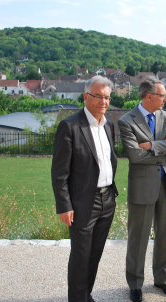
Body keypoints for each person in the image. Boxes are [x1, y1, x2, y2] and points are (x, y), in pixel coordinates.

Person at [51, 76, 118, 302]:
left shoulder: (108, 125)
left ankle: (85, 295)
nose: (103, 101)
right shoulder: (70, 126)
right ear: (86, 96)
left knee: (94, 255)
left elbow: (109, 160)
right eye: (98, 96)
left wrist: (111, 195)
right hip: (82, 204)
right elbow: (60, 172)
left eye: (107, 97)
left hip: (107, 200)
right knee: (81, 256)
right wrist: (64, 205)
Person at [118, 76, 166, 302]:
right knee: (139, 238)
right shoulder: (126, 121)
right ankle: (135, 285)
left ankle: (162, 280)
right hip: (142, 187)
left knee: (164, 235)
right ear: (149, 97)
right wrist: (163, 147)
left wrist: (152, 145)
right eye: (162, 95)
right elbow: (135, 156)